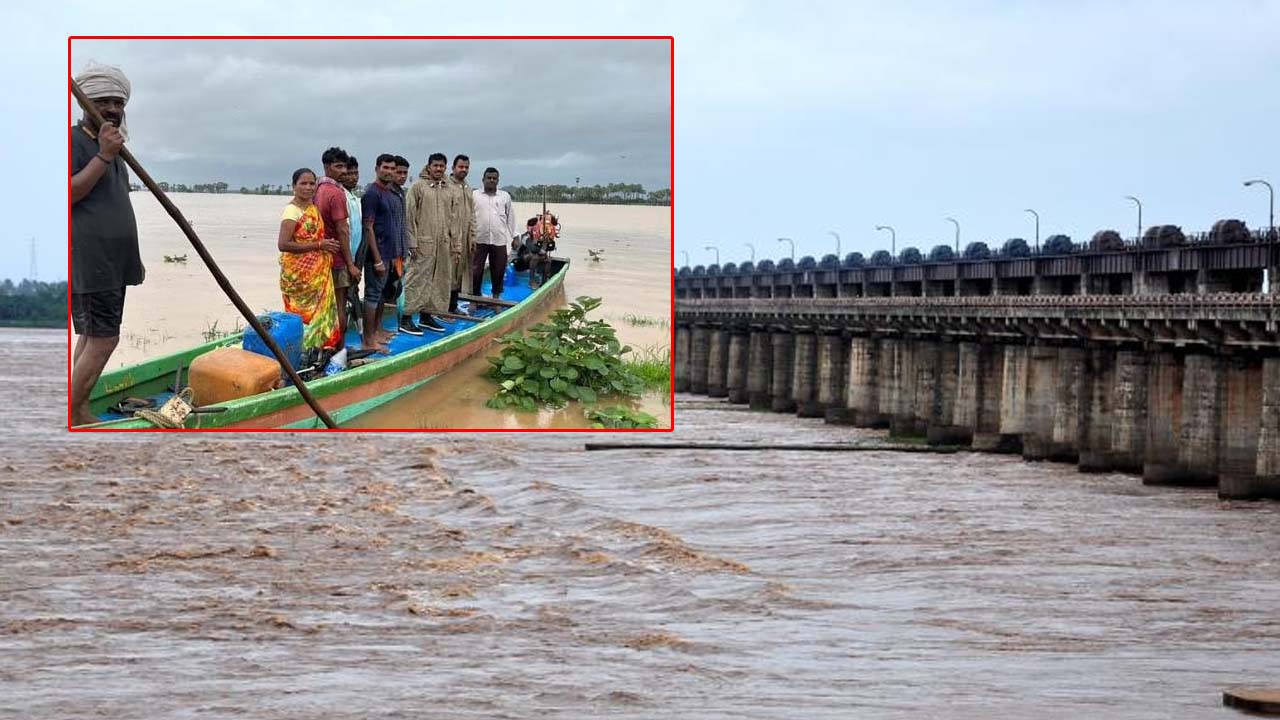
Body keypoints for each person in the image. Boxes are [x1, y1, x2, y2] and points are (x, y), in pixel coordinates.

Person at [70, 62, 144, 426]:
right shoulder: (75, 141)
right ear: (85, 102)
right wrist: (103, 156)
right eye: (103, 102)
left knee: (90, 335)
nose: (112, 109)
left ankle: (76, 401)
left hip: (112, 260)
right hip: (91, 258)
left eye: (118, 102)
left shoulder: (111, 142)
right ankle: (75, 410)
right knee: (103, 339)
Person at [278, 168, 341, 359]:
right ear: (293, 187)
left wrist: (324, 246)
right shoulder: (292, 211)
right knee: (301, 315)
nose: (308, 187)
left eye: (311, 183)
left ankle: (320, 351)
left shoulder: (312, 208)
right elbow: (283, 244)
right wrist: (319, 244)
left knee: (321, 312)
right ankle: (302, 352)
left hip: (317, 273)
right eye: (303, 183)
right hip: (299, 276)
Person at [402, 153, 455, 333]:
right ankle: (406, 317)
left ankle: (427, 316)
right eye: (436, 166)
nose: (439, 169)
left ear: (445, 168)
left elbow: (453, 219)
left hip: (442, 244)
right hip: (422, 243)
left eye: (442, 166)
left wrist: (454, 244)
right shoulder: (418, 187)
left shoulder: (448, 189)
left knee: (438, 280)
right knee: (416, 279)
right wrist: (412, 242)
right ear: (429, 166)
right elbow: (409, 217)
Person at [360, 154, 408, 350]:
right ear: (377, 168)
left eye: (392, 169)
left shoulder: (389, 193)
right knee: (372, 296)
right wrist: (378, 259)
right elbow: (368, 227)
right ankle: (368, 341)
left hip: (390, 254)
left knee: (381, 295)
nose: (389, 172)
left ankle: (378, 330)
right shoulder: (372, 193)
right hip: (376, 255)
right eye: (385, 168)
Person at [316, 147, 358, 347]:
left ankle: (324, 346)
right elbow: (343, 230)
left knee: (324, 306)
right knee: (340, 305)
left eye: (344, 167)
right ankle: (339, 348)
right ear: (327, 167)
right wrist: (351, 264)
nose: (343, 171)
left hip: (320, 258)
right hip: (338, 259)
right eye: (338, 166)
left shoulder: (317, 190)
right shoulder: (336, 193)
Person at [472, 167, 518, 298]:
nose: (491, 180)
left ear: (498, 180)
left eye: (494, 178)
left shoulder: (505, 196)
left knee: (498, 270)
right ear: (483, 179)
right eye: (489, 178)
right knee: (476, 271)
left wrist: (515, 236)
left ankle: (496, 298)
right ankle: (475, 298)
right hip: (478, 239)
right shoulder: (474, 195)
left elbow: (510, 217)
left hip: (499, 240)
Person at [448, 154, 477, 309]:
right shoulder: (446, 186)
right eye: (460, 167)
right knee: (449, 274)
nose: (463, 170)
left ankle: (453, 306)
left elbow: (472, 214)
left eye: (466, 167)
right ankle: (445, 308)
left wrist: (473, 237)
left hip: (465, 238)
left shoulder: (467, 188)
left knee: (458, 274)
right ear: (453, 168)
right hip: (451, 239)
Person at [341, 155, 365, 334]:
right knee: (345, 296)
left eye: (356, 173)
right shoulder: (340, 196)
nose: (353, 177)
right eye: (349, 173)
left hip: (355, 256)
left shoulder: (355, 198)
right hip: (344, 258)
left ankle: (360, 332)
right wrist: (350, 264)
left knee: (353, 291)